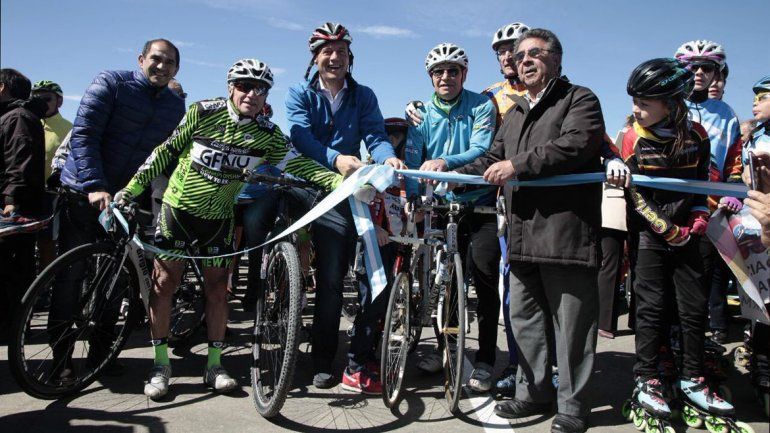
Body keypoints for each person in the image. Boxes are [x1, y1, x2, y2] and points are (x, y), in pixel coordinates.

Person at [117, 58, 342, 399]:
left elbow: (298, 164)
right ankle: (161, 364)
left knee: (218, 290)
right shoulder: (202, 112)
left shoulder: (267, 135)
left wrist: (340, 181)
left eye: (261, 88)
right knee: (165, 285)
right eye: (244, 85)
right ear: (230, 87)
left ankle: (215, 364)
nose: (252, 93)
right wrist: (132, 189)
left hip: (219, 218)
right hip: (179, 211)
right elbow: (165, 153)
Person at [453, 28, 603, 432]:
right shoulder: (516, 111)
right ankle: (532, 393)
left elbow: (577, 143)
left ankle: (573, 407)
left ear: (557, 58)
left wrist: (518, 167)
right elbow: (492, 157)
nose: (525, 61)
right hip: (520, 236)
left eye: (535, 53)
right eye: (519, 56)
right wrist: (446, 173)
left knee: (572, 328)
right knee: (525, 321)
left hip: (565, 234)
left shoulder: (580, 99)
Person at [50, 39, 185, 378]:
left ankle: (101, 355)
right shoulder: (110, 83)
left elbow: (169, 157)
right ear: (141, 59)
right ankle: (60, 360)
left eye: (170, 62)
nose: (162, 66)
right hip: (83, 194)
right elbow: (84, 136)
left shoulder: (174, 106)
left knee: (114, 282)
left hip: (125, 200)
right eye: (156, 59)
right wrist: (96, 186)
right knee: (70, 278)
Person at [284, 22, 404, 392]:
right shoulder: (299, 93)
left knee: (373, 270)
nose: (334, 58)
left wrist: (388, 159)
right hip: (314, 185)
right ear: (315, 57)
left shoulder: (363, 94)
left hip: (352, 187)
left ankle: (362, 353)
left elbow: (375, 134)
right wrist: (335, 158)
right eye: (327, 51)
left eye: (341, 52)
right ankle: (323, 358)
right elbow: (300, 135)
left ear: (350, 57)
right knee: (332, 277)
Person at [619, 57, 736, 426]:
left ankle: (692, 376)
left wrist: (700, 217)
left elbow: (704, 184)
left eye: (644, 103)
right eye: (634, 101)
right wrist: (666, 228)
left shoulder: (698, 136)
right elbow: (633, 194)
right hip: (649, 228)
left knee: (693, 307)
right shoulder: (631, 136)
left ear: (671, 104)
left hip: (690, 228)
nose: (635, 110)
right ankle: (647, 377)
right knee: (651, 306)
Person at [404, 42, 500, 393]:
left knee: (485, 279)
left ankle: (487, 360)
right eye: (438, 71)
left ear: (464, 74)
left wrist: (446, 162)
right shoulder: (421, 113)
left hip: (480, 205)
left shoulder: (481, 105)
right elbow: (415, 154)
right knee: (443, 283)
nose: (446, 76)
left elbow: (482, 148)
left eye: (453, 70)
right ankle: (446, 349)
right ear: (430, 77)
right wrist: (413, 194)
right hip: (442, 206)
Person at [675, 40, 743, 345]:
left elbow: (735, 160)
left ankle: (709, 337)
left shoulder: (726, 113)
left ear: (717, 72)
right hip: (674, 204)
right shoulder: (671, 103)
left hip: (712, 207)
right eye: (692, 66)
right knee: (673, 274)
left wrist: (735, 192)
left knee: (706, 275)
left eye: (707, 67)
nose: (699, 72)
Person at [0, 68, 48, 336]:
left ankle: (13, 328)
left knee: (13, 272)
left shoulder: (18, 118)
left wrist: (11, 201)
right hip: (13, 206)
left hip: (14, 210)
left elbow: (20, 162)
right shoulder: (12, 116)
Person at [30, 80, 73, 269]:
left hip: (52, 195)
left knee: (47, 243)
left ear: (60, 102)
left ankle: (46, 288)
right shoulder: (28, 121)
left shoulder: (69, 128)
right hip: (27, 191)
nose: (40, 103)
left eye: (46, 99)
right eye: (35, 98)